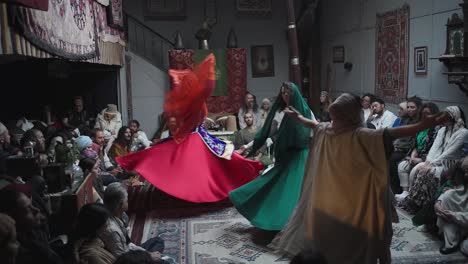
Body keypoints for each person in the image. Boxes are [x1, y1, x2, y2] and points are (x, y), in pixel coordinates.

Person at [270, 93, 448, 264]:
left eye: (337, 117)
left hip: (360, 197)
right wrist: (298, 117)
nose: (333, 122)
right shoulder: (331, 131)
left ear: (348, 117)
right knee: (345, 238)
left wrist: (421, 126)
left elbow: (393, 132)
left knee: (377, 238)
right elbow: (314, 124)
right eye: (332, 117)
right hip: (343, 197)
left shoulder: (359, 134)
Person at [116, 54, 263, 203]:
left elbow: (193, 116)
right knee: (199, 166)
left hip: (199, 137)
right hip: (195, 137)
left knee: (210, 164)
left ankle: (210, 188)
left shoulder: (193, 103)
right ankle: (201, 191)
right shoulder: (192, 104)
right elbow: (189, 119)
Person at [229, 81, 314, 231]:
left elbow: (314, 130)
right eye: (283, 93)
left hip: (301, 157)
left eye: (289, 92)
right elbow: (267, 131)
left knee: (295, 191)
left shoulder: (306, 111)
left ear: (295, 94)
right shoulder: (280, 112)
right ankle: (275, 220)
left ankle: (296, 225)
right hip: (285, 157)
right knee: (274, 185)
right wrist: (248, 146)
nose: (286, 95)